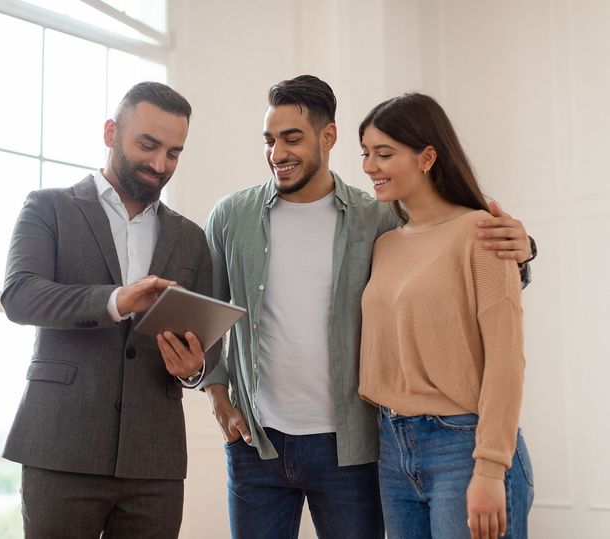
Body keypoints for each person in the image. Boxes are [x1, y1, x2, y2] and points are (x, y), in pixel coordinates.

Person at [200, 75, 535, 538]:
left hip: (367, 445)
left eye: (292, 138)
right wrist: (217, 394)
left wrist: (522, 251)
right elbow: (210, 309)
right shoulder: (235, 218)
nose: (278, 153)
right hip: (289, 443)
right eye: (270, 140)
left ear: (327, 136)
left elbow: (495, 332)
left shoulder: (377, 218)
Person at [1, 81, 220, 539]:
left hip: (155, 463)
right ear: (110, 132)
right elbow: (20, 295)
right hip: (60, 447)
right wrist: (115, 300)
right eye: (148, 145)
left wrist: (194, 369)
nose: (161, 165)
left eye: (174, 153)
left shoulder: (190, 237)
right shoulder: (49, 207)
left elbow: (206, 350)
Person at [358, 92, 534, 539]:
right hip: (393, 449)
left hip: (463, 445)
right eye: (365, 154)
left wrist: (492, 469)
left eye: (383, 154)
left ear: (428, 157)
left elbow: (506, 360)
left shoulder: (481, 233)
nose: (369, 167)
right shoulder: (385, 245)